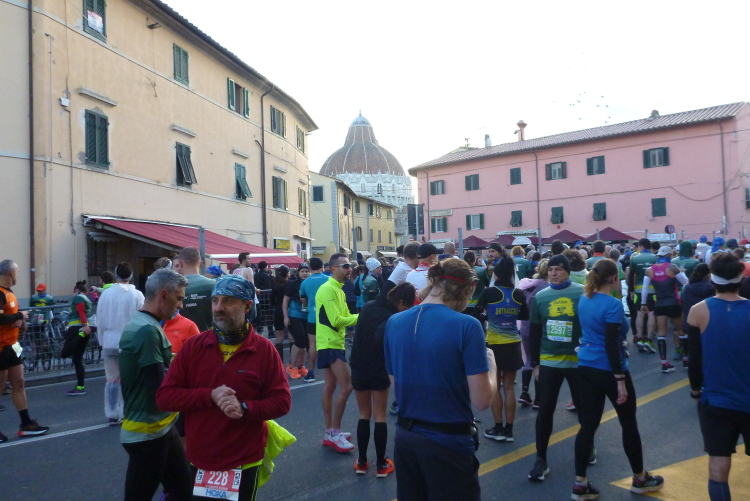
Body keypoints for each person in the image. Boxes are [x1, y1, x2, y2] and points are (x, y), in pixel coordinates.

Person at [157, 274, 291, 501]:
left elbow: (282, 402)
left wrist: (245, 408)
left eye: (228, 301)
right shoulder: (194, 346)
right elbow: (165, 397)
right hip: (201, 459)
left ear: (247, 306)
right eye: (215, 300)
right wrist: (210, 395)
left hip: (244, 460)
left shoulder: (264, 350)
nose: (219, 308)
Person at [384, 258, 496, 501]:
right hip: (449, 442)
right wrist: (492, 365)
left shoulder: (394, 322)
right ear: (469, 288)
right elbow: (482, 400)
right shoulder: (467, 325)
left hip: (406, 438)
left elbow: (396, 385)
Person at [571, 259, 664, 500]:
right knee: (628, 423)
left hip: (586, 365)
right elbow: (612, 344)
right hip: (609, 369)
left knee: (588, 425)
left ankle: (580, 483)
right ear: (614, 278)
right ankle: (640, 478)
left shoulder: (585, 299)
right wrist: (620, 379)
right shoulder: (612, 304)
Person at [119, 268, 192, 501]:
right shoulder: (147, 330)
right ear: (163, 295)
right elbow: (161, 390)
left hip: (161, 427)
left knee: (183, 490)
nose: (180, 305)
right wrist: (204, 396)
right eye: (178, 298)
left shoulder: (146, 323)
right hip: (148, 434)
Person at [687, 253, 750, 501]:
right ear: (741, 279)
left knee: (718, 465)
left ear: (712, 280)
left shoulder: (698, 311)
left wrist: (695, 390)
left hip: (715, 400)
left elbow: (694, 360)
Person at [528, 254, 587, 481]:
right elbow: (534, 332)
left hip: (577, 361)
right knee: (545, 410)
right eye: (551, 269)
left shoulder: (582, 293)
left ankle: (588, 445)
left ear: (568, 271)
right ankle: (540, 459)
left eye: (559, 269)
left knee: (584, 409)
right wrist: (535, 363)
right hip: (549, 361)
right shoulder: (540, 296)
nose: (553, 273)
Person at [351, 283, 416, 477]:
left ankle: (361, 462)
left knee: (364, 414)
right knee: (380, 415)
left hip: (359, 365)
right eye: (407, 306)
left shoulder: (368, 306)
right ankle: (381, 464)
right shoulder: (392, 318)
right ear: (401, 302)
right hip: (379, 368)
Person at [477, 257, 529, 442]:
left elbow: (477, 312)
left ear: (496, 274)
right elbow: (524, 315)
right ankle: (509, 430)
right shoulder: (518, 294)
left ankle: (498, 427)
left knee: (495, 387)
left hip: (494, 345)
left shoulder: (490, 292)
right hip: (513, 343)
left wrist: (487, 316)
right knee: (509, 388)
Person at [0, 260, 49, 442]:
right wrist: (19, 316)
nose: (19, 275)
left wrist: (21, 323)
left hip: (13, 345)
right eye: (18, 272)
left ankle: (26, 423)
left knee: (19, 383)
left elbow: (10, 317)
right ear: (11, 273)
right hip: (1, 347)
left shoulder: (9, 292)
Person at [316, 253, 359, 452]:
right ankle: (334, 432)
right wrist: (362, 317)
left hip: (332, 342)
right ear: (334, 269)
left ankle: (330, 432)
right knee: (347, 385)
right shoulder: (328, 289)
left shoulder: (338, 289)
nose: (350, 269)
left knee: (331, 385)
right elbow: (337, 320)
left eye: (350, 266)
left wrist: (356, 317)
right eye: (346, 266)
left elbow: (345, 315)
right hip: (330, 343)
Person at [96, 263, 144, 424]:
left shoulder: (106, 294)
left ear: (116, 275)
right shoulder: (137, 295)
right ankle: (127, 410)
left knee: (112, 379)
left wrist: (101, 341)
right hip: (130, 342)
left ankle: (112, 412)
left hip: (110, 341)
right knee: (130, 378)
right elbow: (142, 320)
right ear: (131, 276)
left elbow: (100, 319)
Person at [641, 246, 688, 373]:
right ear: (669, 255)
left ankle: (664, 364)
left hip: (660, 304)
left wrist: (643, 303)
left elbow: (645, 288)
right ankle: (686, 360)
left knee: (662, 333)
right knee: (681, 331)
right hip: (674, 303)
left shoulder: (649, 270)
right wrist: (682, 272)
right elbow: (685, 282)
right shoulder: (672, 267)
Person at [517, 259, 549, 409]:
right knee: (538, 360)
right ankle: (539, 398)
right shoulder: (547, 288)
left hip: (525, 326)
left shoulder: (527, 285)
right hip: (539, 327)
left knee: (528, 359)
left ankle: (524, 392)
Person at [62, 280, 94, 396]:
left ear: (77, 290)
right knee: (77, 359)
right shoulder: (86, 298)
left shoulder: (78, 297)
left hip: (77, 328)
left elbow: (81, 311)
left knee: (65, 353)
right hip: (83, 329)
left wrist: (84, 325)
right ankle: (80, 386)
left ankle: (80, 387)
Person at [299, 257, 328, 383]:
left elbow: (303, 300)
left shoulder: (304, 283)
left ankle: (310, 372)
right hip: (328, 317)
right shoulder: (329, 280)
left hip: (312, 317)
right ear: (322, 267)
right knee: (330, 343)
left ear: (310, 268)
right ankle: (332, 372)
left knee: (312, 344)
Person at [177, 247, 216, 332]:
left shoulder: (173, 287)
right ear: (201, 263)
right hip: (208, 337)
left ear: (181, 263)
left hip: (181, 338)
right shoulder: (214, 285)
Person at [629, 238, 657, 353]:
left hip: (638, 290)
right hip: (653, 290)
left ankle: (640, 338)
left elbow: (631, 276)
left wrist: (631, 291)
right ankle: (649, 340)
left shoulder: (634, 258)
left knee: (639, 314)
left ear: (640, 246)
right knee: (651, 314)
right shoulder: (656, 258)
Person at [283, 263, 311, 379]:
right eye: (302, 271)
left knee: (305, 342)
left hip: (307, 316)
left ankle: (300, 366)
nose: (304, 273)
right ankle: (291, 367)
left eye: (306, 271)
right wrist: (285, 317)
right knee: (299, 341)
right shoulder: (293, 284)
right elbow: (285, 301)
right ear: (298, 272)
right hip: (294, 315)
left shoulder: (310, 283)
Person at [463, 251, 490, 323]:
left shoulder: (460, 271)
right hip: (478, 304)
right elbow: (488, 284)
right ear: (474, 260)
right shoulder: (481, 270)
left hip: (463, 304)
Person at [271, 266, 290, 365]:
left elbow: (271, 299)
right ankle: (292, 363)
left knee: (279, 338)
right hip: (289, 310)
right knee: (292, 336)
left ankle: (279, 362)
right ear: (287, 273)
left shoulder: (275, 284)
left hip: (278, 310)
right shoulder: (289, 284)